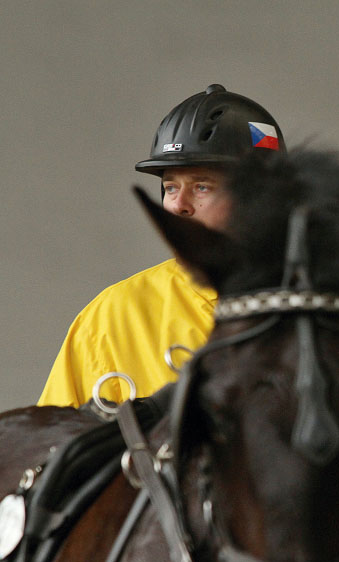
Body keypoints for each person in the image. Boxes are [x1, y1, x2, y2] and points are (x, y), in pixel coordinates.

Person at [39, 84, 285, 407]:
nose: (178, 206)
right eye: (170, 188)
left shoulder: (324, 304)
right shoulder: (111, 318)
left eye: (201, 187)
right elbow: (52, 450)